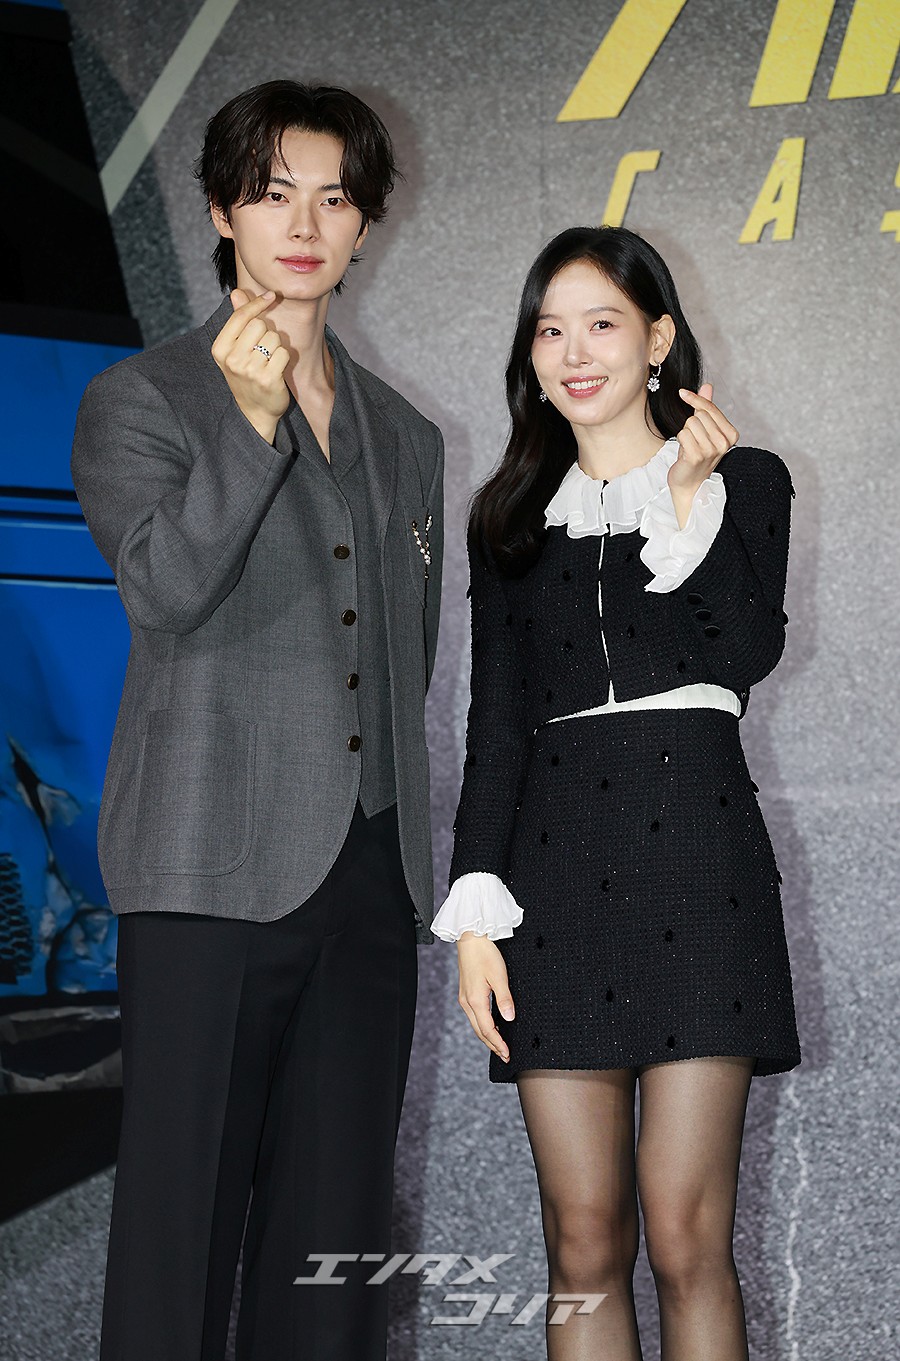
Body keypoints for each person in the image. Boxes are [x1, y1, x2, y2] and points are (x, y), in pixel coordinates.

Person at [72, 80, 443, 1361]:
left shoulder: (407, 433)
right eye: (274, 193)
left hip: (368, 879)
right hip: (206, 874)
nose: (305, 223)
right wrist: (250, 420)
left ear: (365, 223)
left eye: (335, 198)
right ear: (224, 211)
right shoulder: (143, 398)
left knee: (332, 1258)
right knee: (177, 1247)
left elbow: (404, 657)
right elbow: (166, 589)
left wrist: (403, 857)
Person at [431, 225, 799, 1360]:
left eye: (601, 323)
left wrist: (684, 503)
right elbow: (497, 725)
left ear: (658, 338)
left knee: (688, 1236)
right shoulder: (506, 518)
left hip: (700, 867)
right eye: (551, 330)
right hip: (553, 887)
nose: (574, 352)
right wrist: (474, 913)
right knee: (582, 1239)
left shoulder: (743, 480)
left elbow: (744, 651)